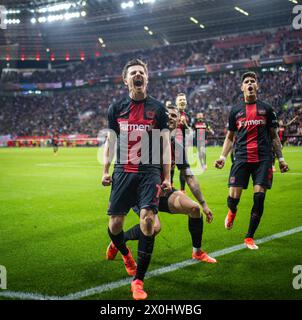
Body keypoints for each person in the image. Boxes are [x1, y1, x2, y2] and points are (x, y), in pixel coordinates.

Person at [107, 105, 217, 265]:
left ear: (179, 120)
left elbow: (189, 177)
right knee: (155, 228)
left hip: (163, 192)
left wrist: (204, 204)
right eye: (168, 115)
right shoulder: (149, 139)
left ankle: (197, 252)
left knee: (194, 209)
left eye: (174, 116)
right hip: (141, 192)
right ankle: (118, 241)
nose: (171, 118)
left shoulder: (177, 147)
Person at [102, 59, 171, 300]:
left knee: (149, 222)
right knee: (115, 226)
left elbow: (164, 145)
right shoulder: (116, 108)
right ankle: (125, 254)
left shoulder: (158, 109)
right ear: (126, 80)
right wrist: (105, 170)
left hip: (149, 172)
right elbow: (110, 141)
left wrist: (168, 177)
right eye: (133, 73)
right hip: (122, 171)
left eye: (142, 72)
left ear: (147, 78)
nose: (138, 75)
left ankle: (138, 281)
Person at [214, 71, 289, 250]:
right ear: (242, 87)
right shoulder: (235, 111)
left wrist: (281, 159)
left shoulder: (267, 109)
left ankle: (249, 237)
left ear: (257, 86)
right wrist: (222, 157)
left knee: (259, 198)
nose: (249, 84)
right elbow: (230, 137)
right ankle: (232, 211)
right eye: (246, 82)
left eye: (252, 81)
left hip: (263, 159)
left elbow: (274, 137)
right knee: (233, 198)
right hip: (240, 158)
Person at [175, 93, 191, 193]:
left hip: (182, 144)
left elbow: (188, 132)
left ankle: (182, 190)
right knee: (168, 166)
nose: (182, 101)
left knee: (184, 168)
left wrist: (184, 124)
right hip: (171, 143)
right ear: (176, 102)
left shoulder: (187, 116)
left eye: (184, 100)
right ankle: (168, 184)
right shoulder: (172, 113)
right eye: (180, 100)